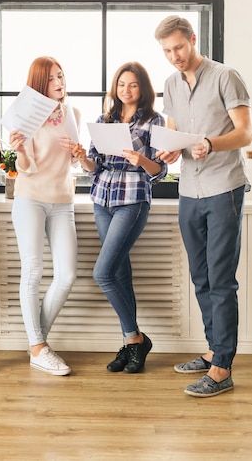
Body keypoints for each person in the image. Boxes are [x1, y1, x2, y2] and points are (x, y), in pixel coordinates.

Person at [154, 15, 252, 398]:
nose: (174, 56)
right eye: (166, 51)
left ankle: (222, 367)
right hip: (188, 192)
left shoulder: (226, 76)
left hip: (223, 187)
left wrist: (210, 143)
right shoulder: (170, 84)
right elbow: (178, 133)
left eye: (179, 47)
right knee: (201, 277)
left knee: (222, 280)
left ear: (193, 40)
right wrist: (171, 148)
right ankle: (214, 349)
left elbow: (244, 132)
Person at [75, 62, 167, 374]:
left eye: (133, 85)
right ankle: (132, 346)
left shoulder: (155, 121)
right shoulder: (105, 120)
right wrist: (81, 157)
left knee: (102, 273)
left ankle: (135, 338)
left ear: (143, 89)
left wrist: (142, 160)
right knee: (119, 273)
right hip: (102, 198)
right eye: (122, 84)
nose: (126, 90)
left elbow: (161, 171)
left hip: (133, 199)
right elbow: (93, 166)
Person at [9, 56, 80, 376]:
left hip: (63, 201)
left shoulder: (71, 113)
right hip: (30, 199)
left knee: (66, 276)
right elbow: (27, 168)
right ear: (39, 84)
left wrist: (80, 154)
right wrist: (20, 149)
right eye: (52, 79)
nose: (59, 83)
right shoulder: (28, 117)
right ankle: (38, 347)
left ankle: (38, 344)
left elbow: (78, 164)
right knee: (33, 271)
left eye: (61, 77)